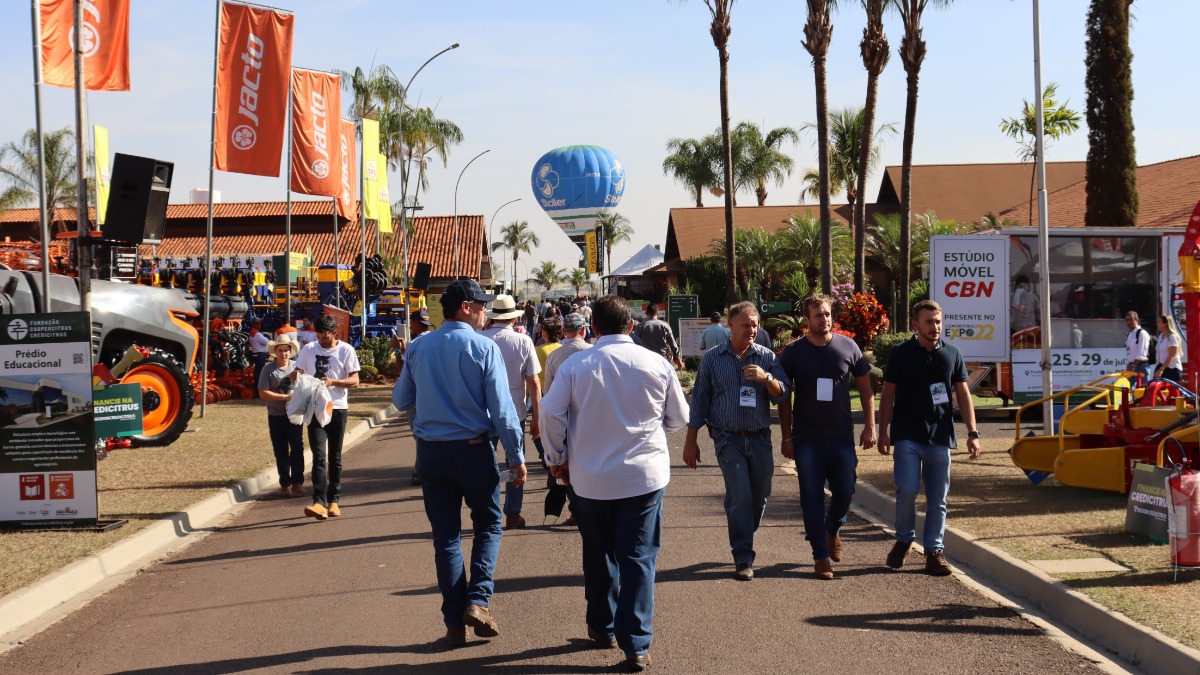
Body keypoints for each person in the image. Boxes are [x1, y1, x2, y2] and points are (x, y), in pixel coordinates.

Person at [540, 295, 690, 672]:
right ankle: (636, 644)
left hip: (589, 479)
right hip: (643, 476)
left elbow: (549, 413)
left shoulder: (576, 365)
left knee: (599, 551)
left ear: (594, 329)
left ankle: (603, 626)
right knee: (638, 556)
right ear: (632, 326)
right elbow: (679, 417)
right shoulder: (656, 363)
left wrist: (557, 458)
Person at [393, 279, 528, 648]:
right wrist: (516, 458)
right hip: (472, 450)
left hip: (431, 453)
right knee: (487, 525)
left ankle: (454, 623)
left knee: (446, 538)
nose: (486, 311)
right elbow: (502, 411)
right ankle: (479, 601)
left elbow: (401, 398)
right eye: (482, 305)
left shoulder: (419, 347)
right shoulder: (482, 347)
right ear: (466, 307)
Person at [683, 301, 789, 580]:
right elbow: (700, 400)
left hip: (759, 438)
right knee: (740, 495)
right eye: (746, 325)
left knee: (760, 496)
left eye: (755, 324)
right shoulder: (713, 358)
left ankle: (743, 530)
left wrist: (767, 379)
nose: (752, 329)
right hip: (727, 438)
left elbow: (783, 394)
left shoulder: (766, 357)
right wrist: (690, 440)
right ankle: (743, 557)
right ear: (730, 325)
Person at [877, 299, 981, 576]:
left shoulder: (953, 353)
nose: (935, 327)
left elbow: (963, 394)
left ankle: (934, 551)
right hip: (907, 436)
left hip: (940, 438)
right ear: (915, 324)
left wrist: (972, 432)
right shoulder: (900, 353)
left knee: (938, 498)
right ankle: (903, 539)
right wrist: (882, 431)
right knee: (907, 490)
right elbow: (888, 394)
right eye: (928, 322)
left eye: (938, 321)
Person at [777, 295, 875, 580]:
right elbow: (784, 397)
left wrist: (870, 426)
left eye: (828, 314)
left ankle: (833, 528)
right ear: (806, 320)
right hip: (807, 438)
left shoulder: (848, 346)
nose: (825, 319)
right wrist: (786, 437)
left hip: (841, 436)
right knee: (810, 496)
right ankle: (820, 555)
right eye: (818, 315)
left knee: (846, 490)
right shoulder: (793, 352)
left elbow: (866, 390)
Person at [480, 294, 541, 529]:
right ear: (512, 317)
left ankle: (488, 510)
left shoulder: (479, 339)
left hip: (483, 413)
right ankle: (513, 513)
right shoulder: (523, 341)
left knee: (486, 464)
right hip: (514, 413)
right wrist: (537, 416)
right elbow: (534, 382)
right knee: (515, 463)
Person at [293, 315, 360, 521]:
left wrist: (333, 382)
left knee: (335, 457)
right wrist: (297, 377)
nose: (321, 341)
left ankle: (334, 500)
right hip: (315, 409)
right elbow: (297, 372)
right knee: (319, 456)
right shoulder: (309, 349)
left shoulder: (346, 350)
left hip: (338, 408)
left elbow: (355, 380)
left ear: (335, 334)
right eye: (319, 337)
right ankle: (319, 502)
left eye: (325, 338)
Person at [258, 338, 304, 496]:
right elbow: (262, 392)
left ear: (290, 351)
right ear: (275, 352)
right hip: (276, 415)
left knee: (297, 447)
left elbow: (305, 386)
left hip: (295, 415)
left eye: (286, 350)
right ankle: (285, 483)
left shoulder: (297, 367)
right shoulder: (268, 370)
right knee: (280, 449)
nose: (284, 353)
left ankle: (297, 482)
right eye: (280, 350)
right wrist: (285, 398)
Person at [544, 313, 592, 393]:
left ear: (564, 331)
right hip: (588, 403)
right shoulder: (594, 351)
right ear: (583, 329)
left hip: (562, 403)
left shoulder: (553, 356)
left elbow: (548, 390)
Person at [633, 304, 684, 369]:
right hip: (663, 359)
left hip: (646, 360)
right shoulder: (665, 325)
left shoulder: (640, 326)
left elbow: (635, 343)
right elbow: (672, 344)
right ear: (658, 313)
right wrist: (679, 360)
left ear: (646, 313)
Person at [1124, 311, 1153, 384]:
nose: (1129, 322)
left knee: (1142, 391)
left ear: (1137, 320)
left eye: (1131, 320)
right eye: (1127, 320)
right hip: (1131, 365)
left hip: (1141, 366)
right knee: (1126, 390)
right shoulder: (1128, 334)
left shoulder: (1142, 333)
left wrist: (1133, 365)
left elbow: (1142, 354)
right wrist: (1129, 365)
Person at [536, 317, 563, 390]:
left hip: (543, 389)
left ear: (545, 333)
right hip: (560, 389)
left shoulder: (537, 350)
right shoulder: (563, 349)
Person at [1155, 315, 1184, 382]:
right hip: (1162, 366)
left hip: (1172, 369)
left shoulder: (1172, 336)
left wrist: (1161, 369)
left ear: (1165, 324)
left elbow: (1172, 355)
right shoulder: (1161, 336)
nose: (1157, 324)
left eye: (1159, 322)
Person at [248, 319, 270, 398]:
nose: (260, 324)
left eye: (260, 322)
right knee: (260, 374)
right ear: (253, 324)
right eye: (258, 323)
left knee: (258, 373)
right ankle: (258, 393)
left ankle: (257, 392)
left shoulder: (254, 332)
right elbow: (267, 342)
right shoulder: (256, 334)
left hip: (257, 355)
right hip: (260, 355)